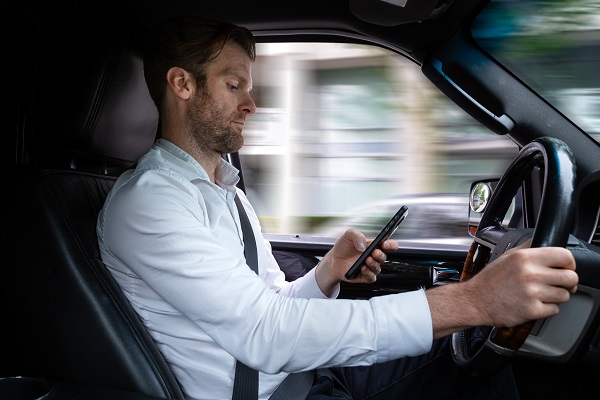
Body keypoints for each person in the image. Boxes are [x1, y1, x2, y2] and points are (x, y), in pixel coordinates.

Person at [96, 16, 578, 400]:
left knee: (466, 359)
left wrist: (327, 273)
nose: (252, 104)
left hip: (306, 376)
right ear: (182, 85)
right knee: (472, 357)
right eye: (234, 85)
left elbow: (272, 305)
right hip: (280, 393)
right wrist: (474, 301)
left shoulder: (226, 191)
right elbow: (267, 335)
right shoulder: (149, 203)